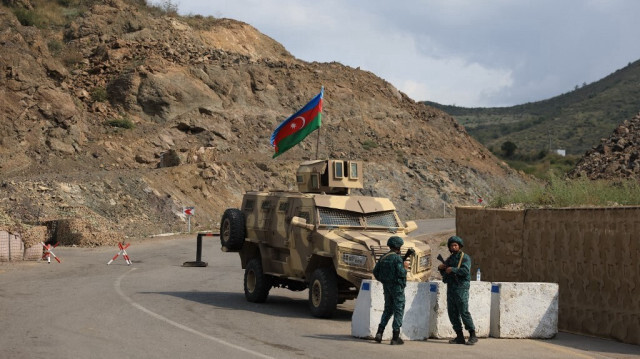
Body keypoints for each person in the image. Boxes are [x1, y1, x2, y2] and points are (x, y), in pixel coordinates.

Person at [438, 235, 478, 345]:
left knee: (463, 311)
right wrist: (442, 269)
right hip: (451, 288)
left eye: (455, 245)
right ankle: (459, 336)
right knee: (452, 313)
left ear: (459, 246)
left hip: (461, 287)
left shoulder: (464, 258)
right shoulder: (449, 259)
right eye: (451, 245)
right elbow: (445, 274)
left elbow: (465, 271)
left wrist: (453, 269)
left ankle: (472, 335)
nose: (453, 247)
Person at [372, 235, 412, 345]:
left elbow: (375, 272)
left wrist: (385, 281)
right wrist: (405, 267)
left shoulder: (384, 257)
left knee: (388, 309)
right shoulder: (397, 258)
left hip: (387, 287)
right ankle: (395, 337)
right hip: (397, 288)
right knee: (398, 310)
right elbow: (401, 273)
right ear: (399, 247)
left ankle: (379, 333)